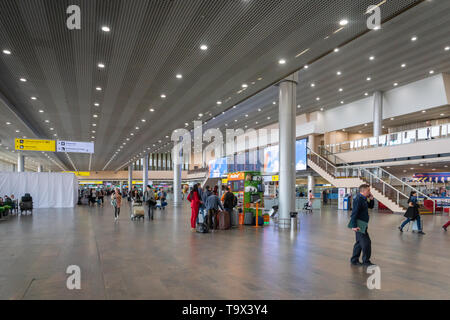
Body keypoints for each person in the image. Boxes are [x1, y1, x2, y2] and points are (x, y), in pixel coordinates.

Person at [349, 184, 375, 267]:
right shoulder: (358, 199)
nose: (369, 192)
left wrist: (371, 199)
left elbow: (370, 207)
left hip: (363, 224)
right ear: (363, 191)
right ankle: (366, 261)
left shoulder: (364, 199)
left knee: (359, 243)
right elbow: (354, 213)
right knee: (366, 243)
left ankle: (354, 260)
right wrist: (354, 226)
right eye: (368, 190)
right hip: (359, 224)